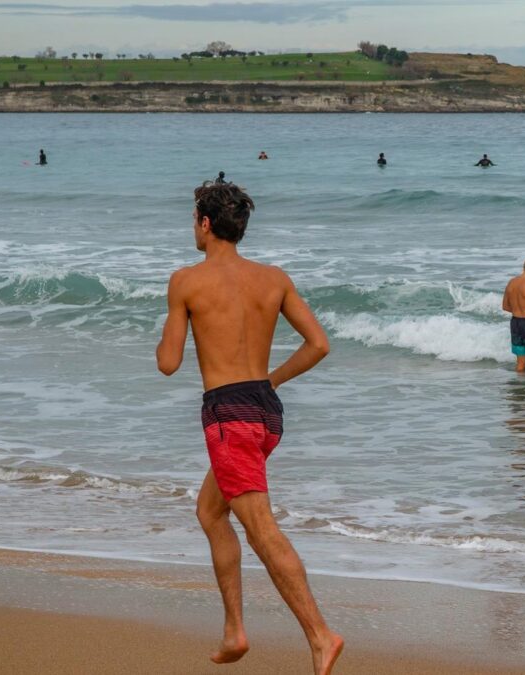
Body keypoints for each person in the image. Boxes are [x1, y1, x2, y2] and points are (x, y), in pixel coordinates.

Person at [156, 181, 344, 675]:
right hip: (265, 413)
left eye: (192, 218)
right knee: (210, 511)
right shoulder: (273, 278)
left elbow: (169, 363)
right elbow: (319, 345)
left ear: (204, 223)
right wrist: (271, 380)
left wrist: (170, 323)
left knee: (261, 530)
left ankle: (321, 636)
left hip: (228, 418)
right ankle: (234, 631)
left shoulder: (185, 281)